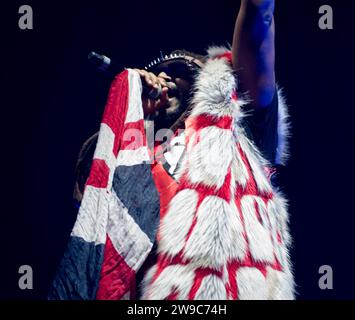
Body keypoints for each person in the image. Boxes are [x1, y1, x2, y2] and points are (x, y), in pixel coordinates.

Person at [67, 0, 294, 300]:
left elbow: (259, 15)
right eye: (156, 73)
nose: (163, 79)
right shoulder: (135, 157)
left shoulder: (242, 127)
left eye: (176, 70)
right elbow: (88, 212)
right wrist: (129, 114)